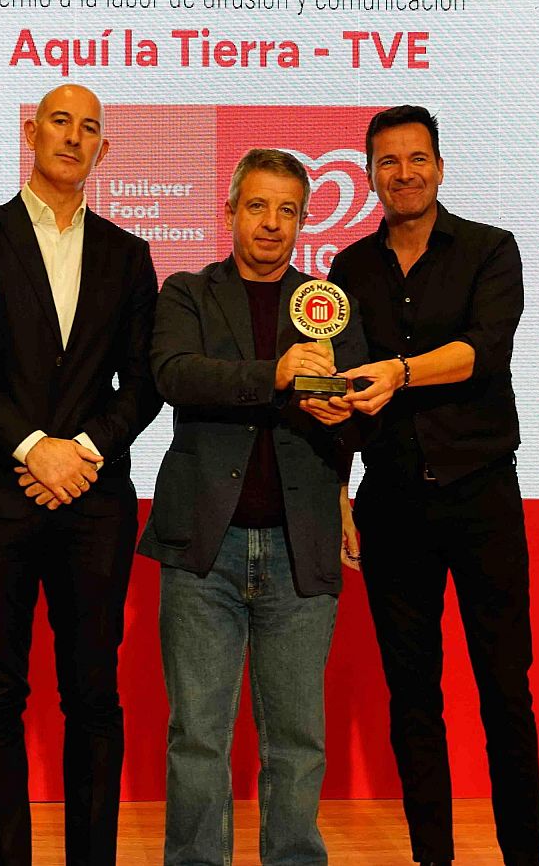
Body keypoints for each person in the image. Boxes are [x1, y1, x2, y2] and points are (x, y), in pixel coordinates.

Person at [0, 83, 161, 865]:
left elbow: (145, 380)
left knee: (93, 695)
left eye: (89, 127)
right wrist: (35, 447)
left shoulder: (130, 256)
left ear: (104, 148)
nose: (73, 136)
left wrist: (83, 452)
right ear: (31, 131)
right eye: (60, 121)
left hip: (95, 502)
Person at [137, 148, 367, 865]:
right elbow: (176, 375)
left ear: (305, 219)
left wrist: (346, 416)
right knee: (198, 736)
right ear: (230, 211)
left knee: (297, 739)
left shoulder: (326, 306)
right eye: (258, 206)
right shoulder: (187, 293)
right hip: (206, 544)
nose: (272, 224)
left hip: (301, 546)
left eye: (288, 210)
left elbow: (361, 407)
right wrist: (277, 375)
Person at [327, 105, 539, 866]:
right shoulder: (348, 270)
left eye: (418, 159)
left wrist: (402, 373)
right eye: (389, 162)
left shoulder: (491, 250)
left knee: (504, 691)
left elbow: (486, 350)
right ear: (370, 175)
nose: (405, 173)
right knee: (413, 698)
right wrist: (337, 491)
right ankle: (433, 859)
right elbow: (345, 390)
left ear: (441, 168)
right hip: (391, 504)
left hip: (481, 496)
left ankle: (524, 857)